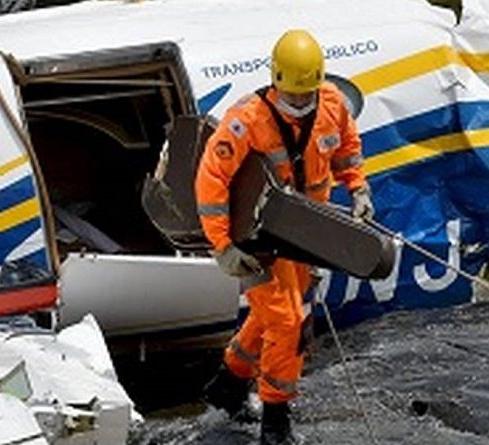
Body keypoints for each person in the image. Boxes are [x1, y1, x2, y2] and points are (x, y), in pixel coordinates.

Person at [195, 29, 373, 444]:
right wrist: (223, 246)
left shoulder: (332, 105)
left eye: (305, 94)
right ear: (276, 81)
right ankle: (275, 420)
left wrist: (358, 187)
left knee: (273, 316)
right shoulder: (246, 121)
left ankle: (227, 385)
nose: (298, 103)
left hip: (301, 235)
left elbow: (346, 146)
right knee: (289, 324)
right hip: (254, 242)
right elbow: (211, 183)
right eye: (291, 96)